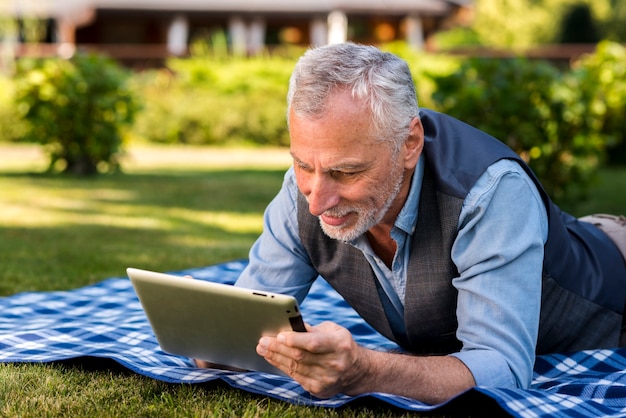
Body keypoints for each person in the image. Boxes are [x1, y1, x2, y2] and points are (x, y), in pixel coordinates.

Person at [208, 42, 626, 405]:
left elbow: (503, 370)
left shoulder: (491, 191)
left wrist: (364, 370)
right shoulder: (307, 190)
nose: (317, 201)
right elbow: (244, 320)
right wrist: (211, 340)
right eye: (303, 165)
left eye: (347, 172)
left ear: (409, 144)